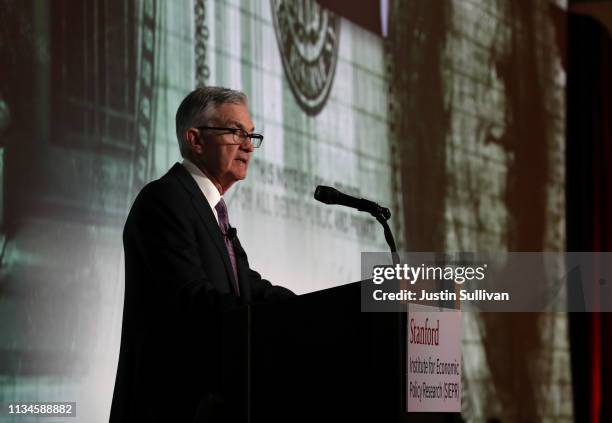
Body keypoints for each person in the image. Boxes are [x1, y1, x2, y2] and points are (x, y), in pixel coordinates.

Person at [109, 86, 295, 423]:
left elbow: (247, 287)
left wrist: (306, 309)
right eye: (236, 132)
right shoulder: (164, 201)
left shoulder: (212, 211)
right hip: (170, 409)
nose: (248, 145)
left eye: (251, 135)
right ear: (195, 139)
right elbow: (192, 301)